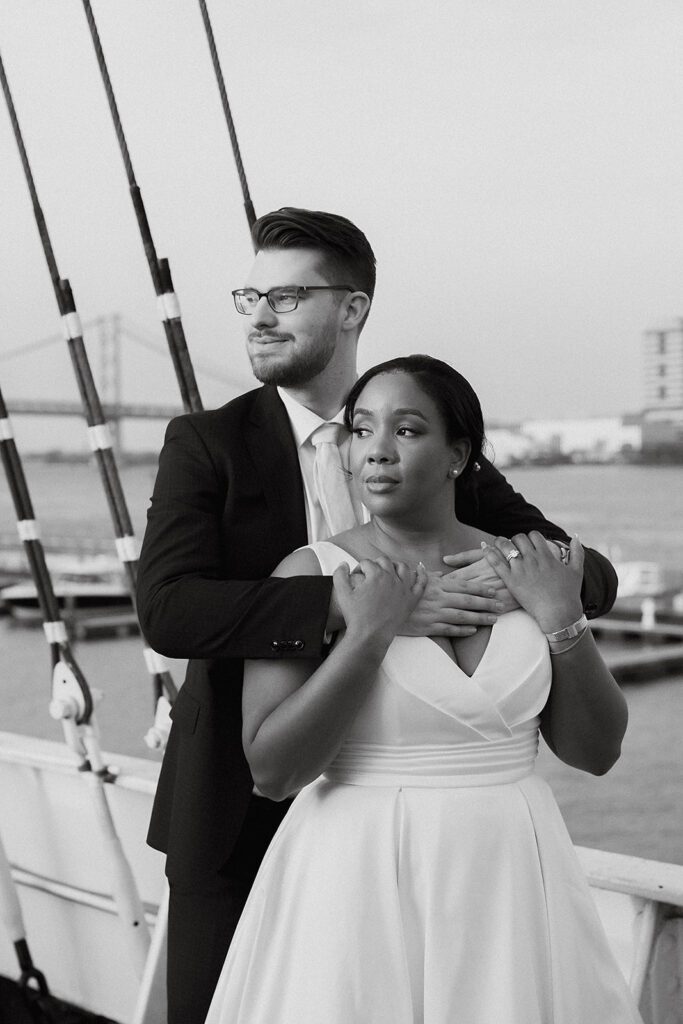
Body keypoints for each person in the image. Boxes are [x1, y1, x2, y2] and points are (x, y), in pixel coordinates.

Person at [136, 208, 618, 1024]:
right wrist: (362, 606)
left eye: (285, 296)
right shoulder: (206, 443)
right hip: (235, 803)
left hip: (451, 841)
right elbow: (169, 611)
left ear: (352, 307)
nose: (258, 315)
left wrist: (511, 588)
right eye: (249, 294)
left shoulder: (431, 445)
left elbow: (585, 572)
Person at [204, 355, 641, 1024]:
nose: (375, 449)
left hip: (512, 874)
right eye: (361, 429)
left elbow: (596, 751)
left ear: (457, 454)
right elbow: (272, 770)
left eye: (405, 430)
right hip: (357, 877)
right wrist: (367, 635)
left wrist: (560, 616)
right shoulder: (311, 574)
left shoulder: (530, 568)